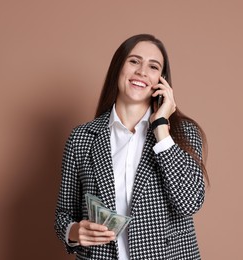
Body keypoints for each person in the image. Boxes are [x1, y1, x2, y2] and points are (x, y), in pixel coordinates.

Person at [54, 34, 208, 260]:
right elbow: (63, 214)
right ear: (118, 67)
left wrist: (162, 128)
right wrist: (75, 231)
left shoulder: (181, 134)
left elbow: (189, 202)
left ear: (161, 81)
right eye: (134, 61)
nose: (142, 72)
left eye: (153, 67)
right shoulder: (82, 138)